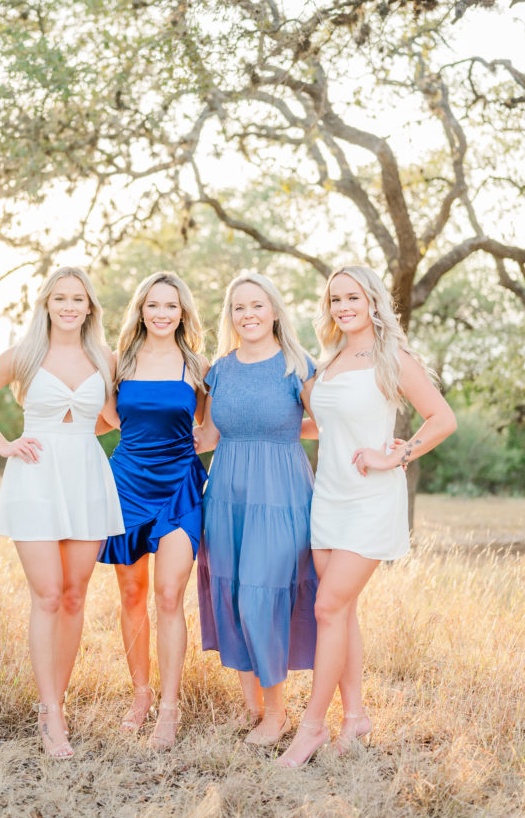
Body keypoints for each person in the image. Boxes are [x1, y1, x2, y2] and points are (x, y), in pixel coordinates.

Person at [277, 264, 457, 768]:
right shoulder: (330, 361)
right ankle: (355, 716)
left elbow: (442, 418)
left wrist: (395, 455)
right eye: (335, 299)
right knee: (343, 611)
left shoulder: (391, 357)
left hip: (370, 498)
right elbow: (322, 427)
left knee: (327, 609)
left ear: (373, 301)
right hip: (328, 497)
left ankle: (311, 728)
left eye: (352, 296)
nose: (343, 307)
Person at [0, 266, 123, 759]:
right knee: (48, 594)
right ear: (46, 304)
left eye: (79, 299)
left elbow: (113, 419)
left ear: (90, 306)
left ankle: (60, 704)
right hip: (35, 475)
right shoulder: (24, 355)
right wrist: (4, 444)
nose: (70, 306)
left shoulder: (105, 358)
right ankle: (48, 713)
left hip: (87, 476)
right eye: (60, 298)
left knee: (75, 597)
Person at [194, 272, 318, 747]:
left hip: (282, 492)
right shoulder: (219, 370)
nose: (248, 315)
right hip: (225, 493)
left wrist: (286, 432)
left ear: (274, 311)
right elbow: (208, 435)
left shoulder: (296, 364)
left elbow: (324, 423)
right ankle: (252, 707)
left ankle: (277, 714)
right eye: (239, 308)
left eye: (257, 306)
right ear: (231, 316)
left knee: (260, 596)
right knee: (231, 594)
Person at [97, 271, 208, 749]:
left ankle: (168, 706)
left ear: (183, 313)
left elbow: (208, 425)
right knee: (130, 594)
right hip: (125, 484)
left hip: (180, 485)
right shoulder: (118, 362)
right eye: (153, 305)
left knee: (169, 596)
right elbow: (108, 415)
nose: (162, 314)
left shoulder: (198, 365)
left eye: (171, 306)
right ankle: (140, 695)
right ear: (140, 310)